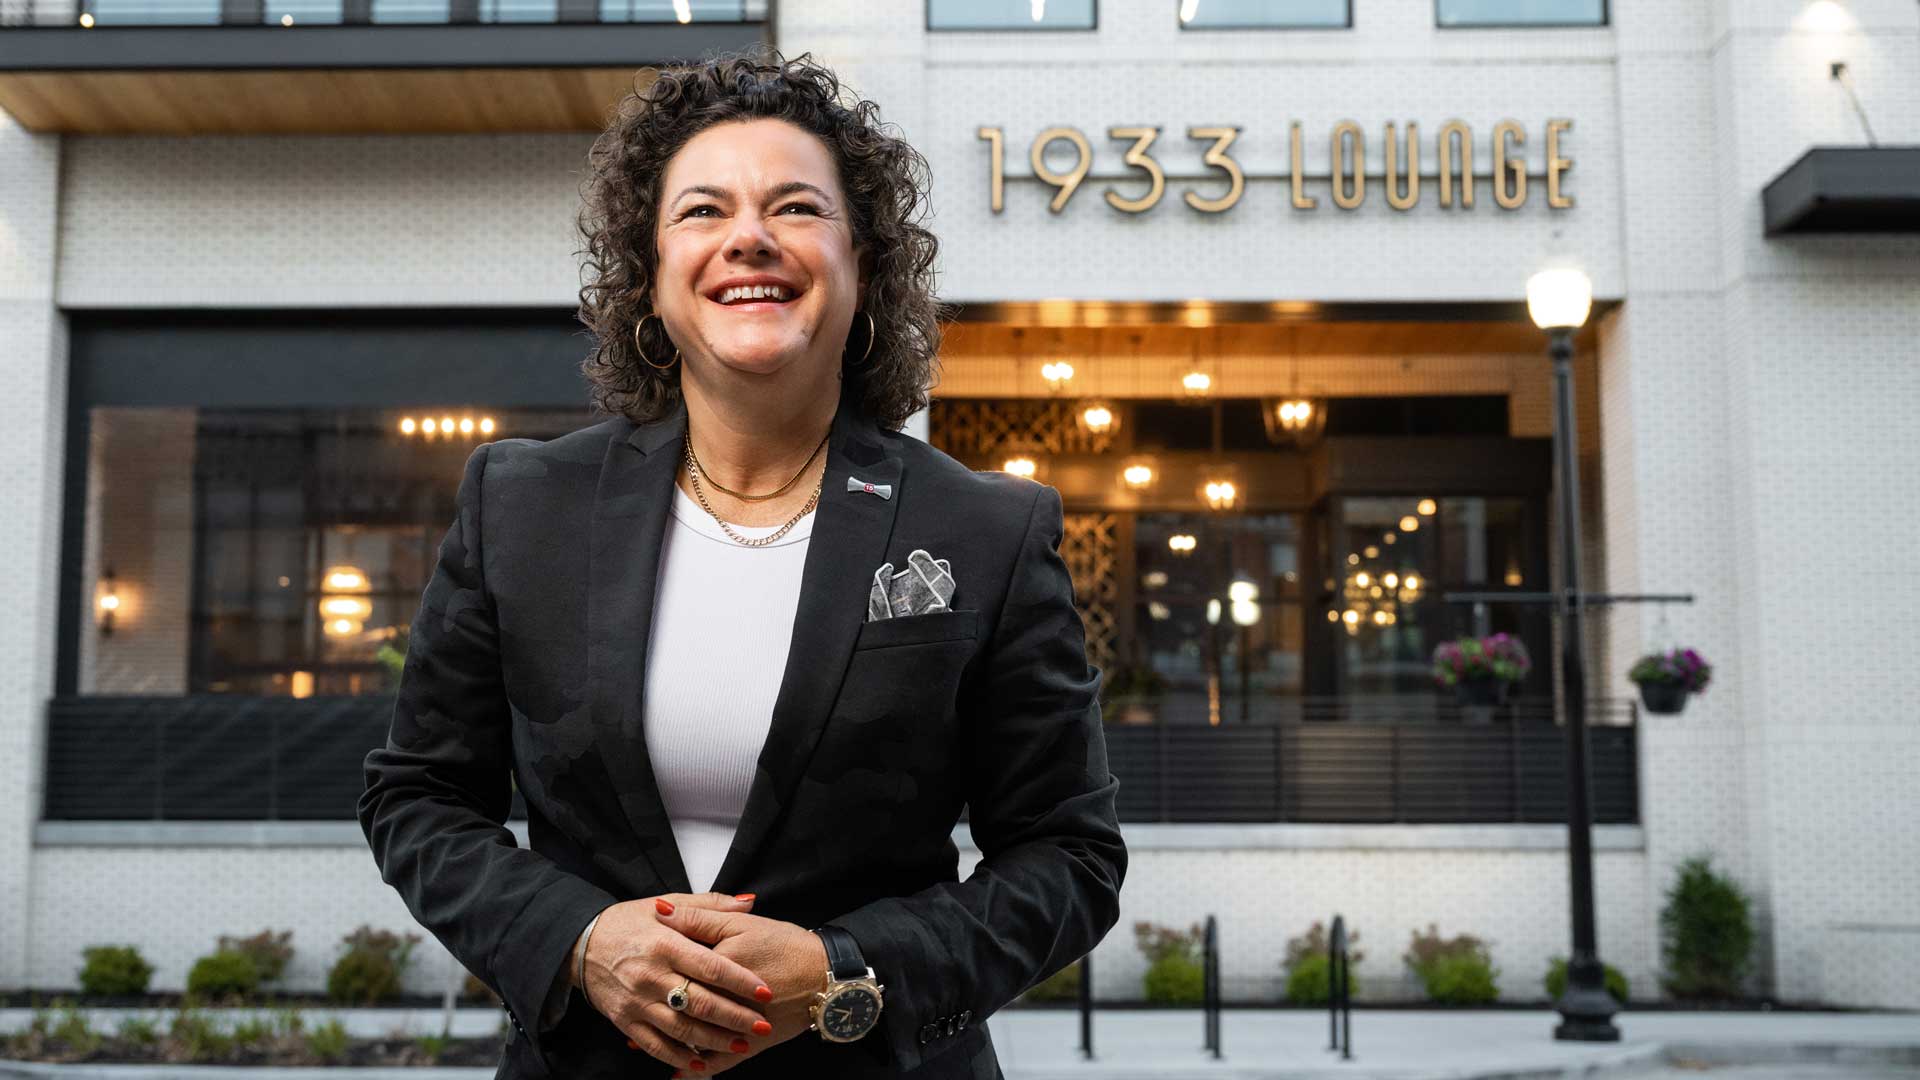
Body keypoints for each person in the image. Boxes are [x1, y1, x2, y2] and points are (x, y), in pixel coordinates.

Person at [356, 50, 1126, 1080]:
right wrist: (583, 943)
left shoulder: (989, 527)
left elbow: (1070, 856)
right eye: (703, 210)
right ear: (651, 274)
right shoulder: (520, 503)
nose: (749, 237)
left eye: (797, 206)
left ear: (865, 266)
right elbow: (420, 797)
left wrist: (846, 970)